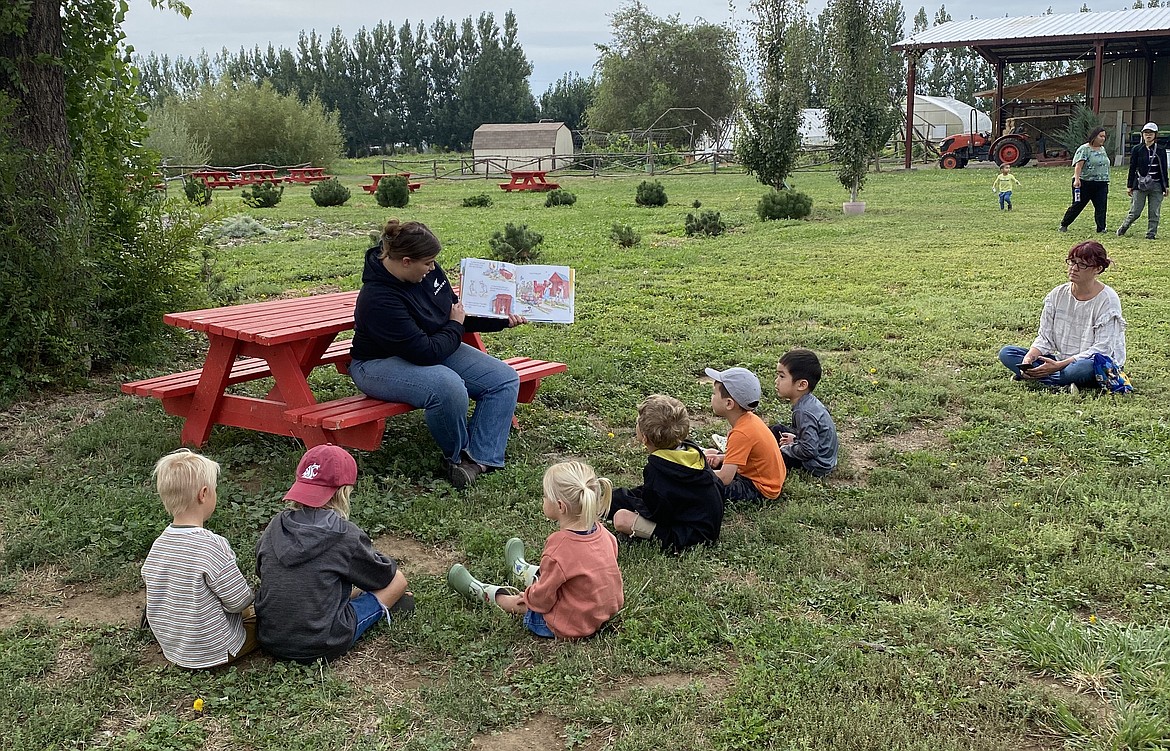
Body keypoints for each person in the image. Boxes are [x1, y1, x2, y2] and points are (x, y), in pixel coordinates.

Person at [348, 219, 527, 489]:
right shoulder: (379, 298)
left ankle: (477, 460)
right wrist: (455, 325)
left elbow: (452, 312)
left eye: (433, 262)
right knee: (447, 386)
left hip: (429, 345)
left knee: (503, 378)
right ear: (406, 261)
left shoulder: (425, 272)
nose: (433, 268)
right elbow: (427, 353)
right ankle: (455, 456)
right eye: (428, 263)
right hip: (376, 364)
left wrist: (501, 319)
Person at [256, 444, 413, 663]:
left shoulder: (275, 526)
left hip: (269, 637)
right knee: (397, 582)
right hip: (323, 643)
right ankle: (383, 607)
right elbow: (384, 577)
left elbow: (262, 571)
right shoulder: (345, 535)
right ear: (344, 492)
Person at [446, 461, 624, 639]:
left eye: (545, 495)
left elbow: (543, 600)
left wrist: (529, 597)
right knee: (559, 574)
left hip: (570, 622)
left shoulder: (560, 548)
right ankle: (521, 569)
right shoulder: (605, 534)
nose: (543, 499)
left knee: (522, 603)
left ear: (561, 506)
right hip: (601, 612)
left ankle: (483, 592)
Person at [141, 449, 256, 669]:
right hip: (214, 649)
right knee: (265, 621)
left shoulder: (158, 545)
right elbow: (238, 601)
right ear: (203, 494)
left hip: (173, 647)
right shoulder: (212, 545)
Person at [998, 240, 1126, 394]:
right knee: (1007, 353)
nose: (1074, 268)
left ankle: (1044, 378)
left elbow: (1102, 349)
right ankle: (1059, 380)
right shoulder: (1057, 294)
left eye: (1082, 265)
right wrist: (1029, 358)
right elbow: (1045, 337)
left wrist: (1060, 365)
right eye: (1072, 262)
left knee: (1082, 368)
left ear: (1097, 269)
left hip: (1096, 363)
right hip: (1061, 360)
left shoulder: (1108, 299)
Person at [608, 394, 724, 553]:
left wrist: (631, 505)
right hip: (705, 525)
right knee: (622, 498)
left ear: (645, 438)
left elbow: (658, 514)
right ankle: (606, 500)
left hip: (688, 537)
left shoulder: (658, 471)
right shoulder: (692, 451)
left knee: (621, 518)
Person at [702, 367, 786, 502]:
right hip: (763, 477)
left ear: (729, 403)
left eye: (714, 393)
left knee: (704, 488)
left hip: (760, 488)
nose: (711, 397)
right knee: (713, 453)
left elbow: (724, 478)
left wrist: (694, 474)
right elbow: (748, 456)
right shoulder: (749, 420)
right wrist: (721, 458)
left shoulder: (741, 434)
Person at [770, 350, 839, 477]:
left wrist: (788, 448)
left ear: (801, 385)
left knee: (772, 456)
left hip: (816, 464)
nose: (776, 381)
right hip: (820, 454)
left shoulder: (803, 412)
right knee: (777, 429)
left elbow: (809, 450)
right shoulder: (808, 402)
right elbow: (812, 436)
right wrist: (796, 439)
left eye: (782, 376)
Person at [1117, 122, 1169, 240]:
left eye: (1151, 133)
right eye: (1146, 133)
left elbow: (1164, 168)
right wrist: (1129, 185)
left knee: (1154, 211)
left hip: (1156, 185)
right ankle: (1123, 228)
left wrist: (1166, 186)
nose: (1148, 135)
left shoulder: (1160, 150)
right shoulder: (1137, 149)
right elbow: (1132, 167)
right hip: (1140, 184)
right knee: (1135, 211)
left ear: (1155, 135)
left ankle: (1151, 234)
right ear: (1142, 135)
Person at [1060, 127, 1111, 234]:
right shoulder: (1084, 149)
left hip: (1101, 183)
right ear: (1094, 136)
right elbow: (1078, 166)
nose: (1103, 139)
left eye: (1104, 137)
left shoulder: (1102, 149)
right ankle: (1064, 224)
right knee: (1078, 205)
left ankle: (1101, 228)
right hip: (1085, 182)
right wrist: (1077, 179)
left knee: (1101, 206)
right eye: (1100, 136)